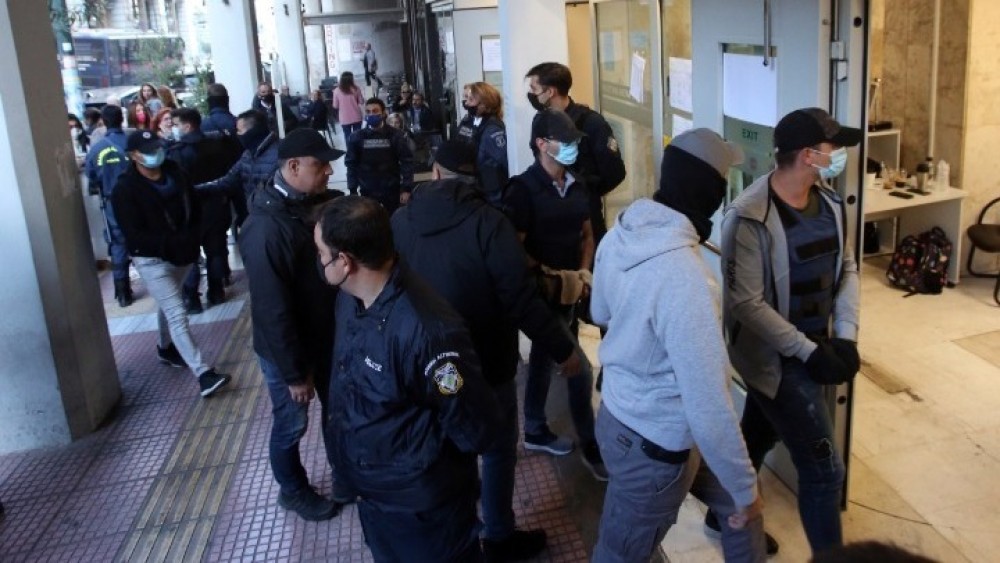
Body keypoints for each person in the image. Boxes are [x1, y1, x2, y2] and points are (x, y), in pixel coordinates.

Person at [391, 139, 583, 561]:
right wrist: (561, 348)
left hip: (430, 363)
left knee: (445, 440)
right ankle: (498, 535)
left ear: (435, 173)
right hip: (487, 360)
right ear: (474, 178)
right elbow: (520, 298)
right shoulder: (490, 223)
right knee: (496, 447)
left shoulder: (401, 221)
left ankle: (459, 528)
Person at [590, 128, 765, 563]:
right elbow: (709, 405)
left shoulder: (620, 234)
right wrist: (749, 488)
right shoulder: (687, 280)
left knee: (739, 507)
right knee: (618, 554)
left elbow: (599, 312)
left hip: (615, 417)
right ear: (711, 194)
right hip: (655, 449)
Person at [318, 195, 502, 562]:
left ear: (345, 262)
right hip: (375, 497)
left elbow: (473, 423)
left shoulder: (429, 333)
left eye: (321, 254)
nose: (319, 263)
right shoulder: (350, 300)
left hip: (424, 514)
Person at [720, 107, 862, 555]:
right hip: (775, 358)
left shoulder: (831, 204)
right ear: (808, 155)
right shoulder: (749, 217)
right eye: (833, 148)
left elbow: (847, 268)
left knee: (761, 429)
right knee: (825, 472)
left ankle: (721, 507)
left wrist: (845, 335)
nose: (838, 155)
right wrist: (808, 352)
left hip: (816, 344)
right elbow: (747, 304)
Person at [240, 129, 345, 521]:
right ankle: (293, 489)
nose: (329, 171)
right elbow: (272, 310)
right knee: (291, 423)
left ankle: (344, 474)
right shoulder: (266, 229)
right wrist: (294, 374)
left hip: (323, 335)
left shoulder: (307, 204)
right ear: (294, 166)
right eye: (321, 165)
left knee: (337, 410)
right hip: (287, 349)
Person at [503, 109, 605, 480]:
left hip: (571, 292)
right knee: (579, 369)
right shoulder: (522, 190)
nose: (573, 147)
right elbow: (514, 246)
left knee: (545, 359)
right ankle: (591, 445)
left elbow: (587, 234)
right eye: (566, 141)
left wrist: (582, 274)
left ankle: (534, 428)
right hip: (541, 296)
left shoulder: (578, 185)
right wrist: (550, 275)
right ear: (541, 144)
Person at [111, 130, 232, 398]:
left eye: (157, 147)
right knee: (177, 313)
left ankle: (165, 348)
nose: (156, 153)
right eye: (148, 150)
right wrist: (168, 244)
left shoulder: (176, 173)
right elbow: (133, 234)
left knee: (170, 303)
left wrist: (192, 237)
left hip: (183, 254)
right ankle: (204, 374)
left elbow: (193, 206)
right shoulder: (125, 189)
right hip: (152, 259)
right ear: (133, 156)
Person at [525, 62, 626, 246]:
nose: (531, 94)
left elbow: (615, 173)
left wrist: (584, 191)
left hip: (585, 216)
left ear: (551, 91)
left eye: (534, 89)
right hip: (549, 211)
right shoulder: (541, 120)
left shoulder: (592, 123)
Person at [167, 107, 242, 312]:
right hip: (217, 205)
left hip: (189, 209)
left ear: (187, 126)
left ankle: (192, 298)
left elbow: (174, 185)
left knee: (190, 255)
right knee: (216, 250)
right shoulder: (218, 144)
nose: (173, 129)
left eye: (176, 124)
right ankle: (216, 291)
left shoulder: (177, 152)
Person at [197, 110, 281, 234]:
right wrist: (195, 189)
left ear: (253, 132)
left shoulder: (280, 155)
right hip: (257, 219)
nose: (237, 134)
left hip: (277, 223)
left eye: (239, 131)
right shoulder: (248, 155)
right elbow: (228, 180)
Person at [85, 105, 134, 307]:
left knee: (118, 243)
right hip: (139, 199)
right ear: (121, 119)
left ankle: (123, 292)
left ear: (103, 122)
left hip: (112, 203)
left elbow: (92, 177)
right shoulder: (133, 141)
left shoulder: (97, 149)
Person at [344, 98, 414, 215]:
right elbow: (351, 164)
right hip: (367, 190)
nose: (371, 114)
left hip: (392, 188)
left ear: (383, 113)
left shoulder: (396, 135)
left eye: (375, 111)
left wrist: (406, 188)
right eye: (368, 111)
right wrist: (352, 190)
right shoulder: (356, 137)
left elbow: (407, 161)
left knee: (394, 219)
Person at [455, 82, 508, 205]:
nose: (467, 103)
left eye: (471, 100)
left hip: (491, 192)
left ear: (485, 104)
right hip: (474, 185)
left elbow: (503, 161)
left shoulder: (492, 130)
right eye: (467, 98)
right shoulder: (471, 121)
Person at [332, 71, 365, 140]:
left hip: (344, 118)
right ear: (351, 79)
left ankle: (350, 147)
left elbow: (335, 106)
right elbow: (361, 102)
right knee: (358, 137)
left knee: (347, 136)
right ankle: (358, 147)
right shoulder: (356, 89)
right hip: (356, 116)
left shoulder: (336, 91)